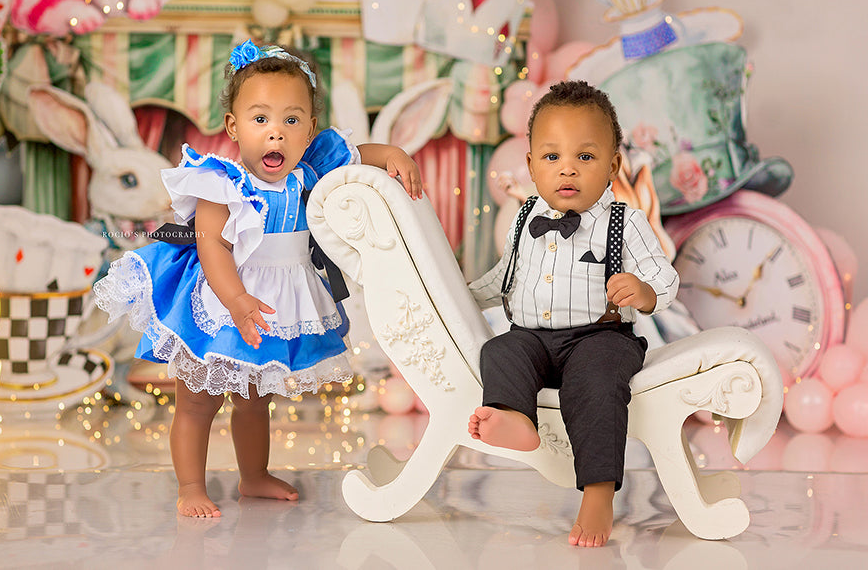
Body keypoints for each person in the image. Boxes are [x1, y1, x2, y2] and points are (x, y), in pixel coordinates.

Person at [95, 39, 422, 518]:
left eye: (291, 120)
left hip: (275, 300)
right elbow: (212, 245)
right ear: (234, 127)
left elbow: (359, 153)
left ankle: (253, 477)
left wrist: (392, 153)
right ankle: (190, 486)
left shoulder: (309, 170)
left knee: (254, 401)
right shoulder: (222, 183)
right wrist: (235, 299)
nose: (276, 134)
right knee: (198, 403)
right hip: (219, 298)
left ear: (310, 130)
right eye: (261, 119)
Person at [466, 80, 678, 547]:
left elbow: (666, 279)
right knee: (500, 349)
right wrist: (463, 293)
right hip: (533, 337)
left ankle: (598, 493)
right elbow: (505, 276)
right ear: (530, 166)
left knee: (598, 383)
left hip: (599, 338)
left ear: (612, 165)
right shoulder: (525, 218)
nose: (568, 170)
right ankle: (514, 417)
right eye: (551, 157)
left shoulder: (625, 220)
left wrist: (641, 291)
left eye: (585, 157)